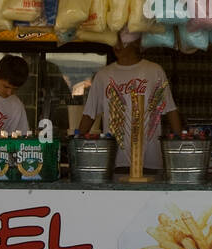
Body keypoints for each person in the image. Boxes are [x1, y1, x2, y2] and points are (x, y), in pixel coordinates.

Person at [78, 37, 183, 170]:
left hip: (150, 161)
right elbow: (89, 114)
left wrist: (181, 148)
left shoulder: (154, 71)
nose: (117, 45)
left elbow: (170, 109)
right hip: (115, 161)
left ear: (135, 41)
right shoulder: (103, 75)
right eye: (114, 41)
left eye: (122, 40)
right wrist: (76, 146)